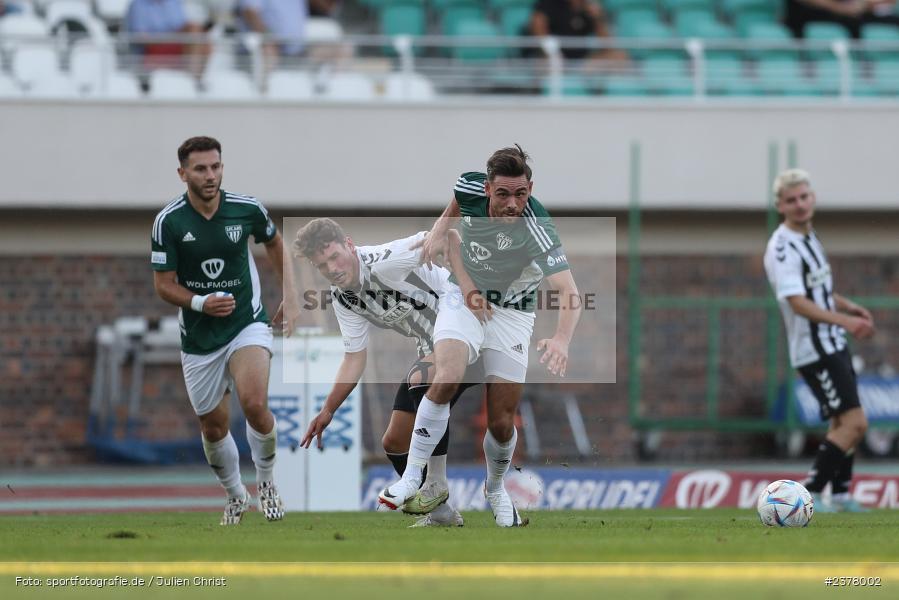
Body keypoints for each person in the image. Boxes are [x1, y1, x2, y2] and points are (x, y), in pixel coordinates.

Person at [379, 145, 582, 527]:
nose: (511, 204)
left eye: (521, 194)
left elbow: (569, 290)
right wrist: (440, 228)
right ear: (487, 189)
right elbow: (457, 199)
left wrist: (561, 340)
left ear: (530, 189)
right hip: (462, 298)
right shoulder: (469, 187)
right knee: (446, 376)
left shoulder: (537, 227)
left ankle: (495, 488)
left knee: (502, 421)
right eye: (502, 194)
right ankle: (413, 480)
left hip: (512, 314)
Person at [293, 218, 481, 527]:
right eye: (322, 266)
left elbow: (445, 235)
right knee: (393, 441)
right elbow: (354, 357)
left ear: (349, 245)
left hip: (468, 331)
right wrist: (328, 409)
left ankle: (438, 483)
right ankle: (442, 513)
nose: (333, 268)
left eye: (335, 256)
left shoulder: (387, 259)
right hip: (431, 351)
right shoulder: (343, 297)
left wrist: (467, 286)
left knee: (423, 382)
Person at [151, 136, 299, 525]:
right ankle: (236, 494)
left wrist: (291, 294)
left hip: (246, 322)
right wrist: (200, 303)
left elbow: (274, 242)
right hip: (199, 336)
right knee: (213, 425)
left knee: (253, 403)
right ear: (183, 174)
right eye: (200, 168)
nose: (210, 175)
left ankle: (266, 482)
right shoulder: (169, 222)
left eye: (216, 166)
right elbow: (163, 285)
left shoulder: (246, 208)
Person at [763, 168, 875, 513]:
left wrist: (847, 305)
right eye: (791, 200)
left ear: (813, 198)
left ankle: (839, 495)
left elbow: (817, 288)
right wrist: (846, 322)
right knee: (856, 423)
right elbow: (797, 301)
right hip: (814, 349)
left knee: (841, 423)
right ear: (780, 205)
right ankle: (802, 497)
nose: (799, 205)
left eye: (804, 197)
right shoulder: (783, 248)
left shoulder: (809, 236)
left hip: (832, 341)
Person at [126, 0, 209, 76]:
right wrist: (165, 39)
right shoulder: (138, 5)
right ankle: (194, 77)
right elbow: (141, 38)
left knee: (197, 34)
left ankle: (194, 75)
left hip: (176, 44)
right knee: (195, 35)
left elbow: (182, 27)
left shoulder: (174, 2)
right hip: (152, 49)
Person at [527, 0, 626, 61]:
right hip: (552, 57)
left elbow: (606, 46)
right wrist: (554, 54)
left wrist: (598, 19)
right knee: (545, 64)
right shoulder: (548, 3)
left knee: (620, 57)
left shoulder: (589, 5)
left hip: (583, 61)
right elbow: (538, 29)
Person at [238, 0, 308, 66]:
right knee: (268, 52)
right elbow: (250, 13)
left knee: (317, 50)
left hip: (298, 50)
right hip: (265, 47)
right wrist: (269, 38)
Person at [785, 0, 899, 39]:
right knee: (851, 21)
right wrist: (839, 8)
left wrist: (862, 5)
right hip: (806, 14)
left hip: (847, 12)